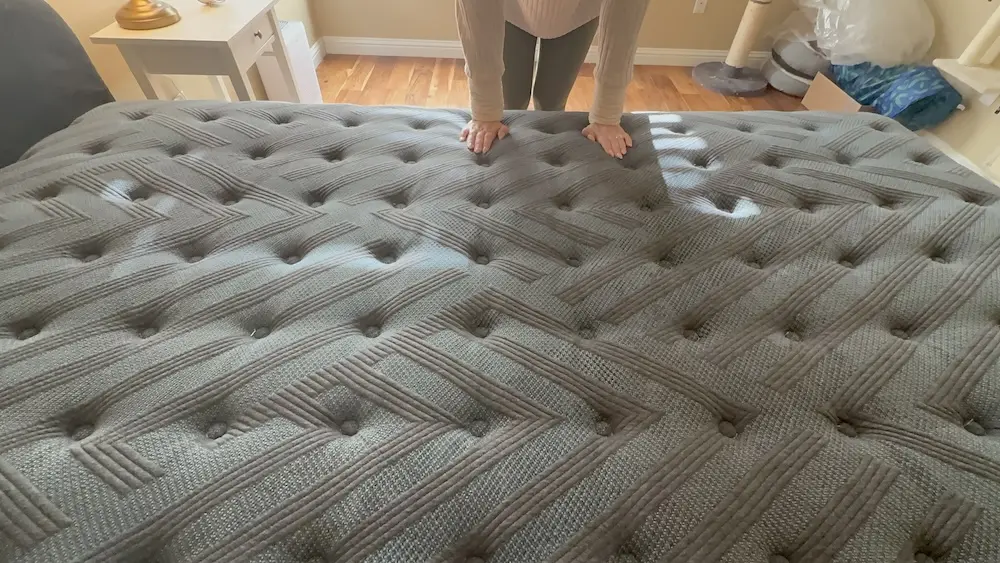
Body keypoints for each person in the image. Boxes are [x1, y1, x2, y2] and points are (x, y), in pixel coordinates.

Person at [456, 0, 651, 159]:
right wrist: (485, 111)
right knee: (511, 104)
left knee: (551, 102)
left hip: (579, 10)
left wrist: (607, 116)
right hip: (508, 8)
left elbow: (626, 11)